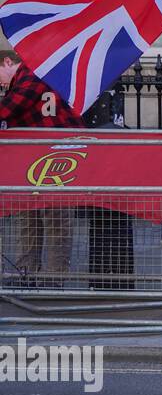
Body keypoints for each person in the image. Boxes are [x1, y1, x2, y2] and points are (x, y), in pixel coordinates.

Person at [0, 54, 82, 287]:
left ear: (7, 62)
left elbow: (11, 107)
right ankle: (26, 271)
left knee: (55, 214)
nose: (1, 84)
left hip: (59, 153)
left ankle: (54, 276)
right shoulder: (24, 77)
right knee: (28, 212)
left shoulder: (33, 71)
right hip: (35, 155)